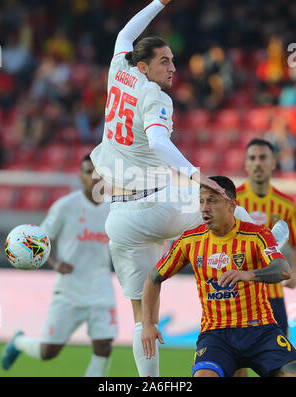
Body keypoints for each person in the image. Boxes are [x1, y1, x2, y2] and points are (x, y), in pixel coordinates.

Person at [89, 0, 252, 377]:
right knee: (220, 201)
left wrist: (158, 2)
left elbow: (124, 35)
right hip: (157, 205)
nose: (174, 68)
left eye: (173, 60)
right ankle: (269, 240)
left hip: (120, 219)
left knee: (142, 317)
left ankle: (150, 383)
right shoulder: (154, 96)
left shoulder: (118, 70)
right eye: (165, 61)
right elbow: (160, 143)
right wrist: (198, 177)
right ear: (144, 67)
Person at [141, 176, 296, 377]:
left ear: (232, 205)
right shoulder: (190, 241)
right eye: (201, 201)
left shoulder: (257, 235)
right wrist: (147, 324)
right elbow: (153, 278)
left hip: (261, 330)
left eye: (212, 200)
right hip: (216, 336)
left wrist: (249, 274)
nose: (205, 208)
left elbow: (283, 269)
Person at [1, 155, 117, 377]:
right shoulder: (65, 206)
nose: (93, 177)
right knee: (48, 352)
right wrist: (55, 263)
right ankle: (19, 342)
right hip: (69, 289)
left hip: (101, 285)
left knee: (103, 347)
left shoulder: (114, 207)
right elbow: (41, 242)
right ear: (80, 177)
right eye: (87, 172)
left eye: (98, 171)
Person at [235, 138, 296, 377]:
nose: (257, 163)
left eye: (263, 157)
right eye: (252, 158)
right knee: (237, 365)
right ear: (246, 164)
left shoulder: (286, 204)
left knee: (281, 366)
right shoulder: (233, 201)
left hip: (272, 297)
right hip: (238, 296)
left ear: (273, 163)